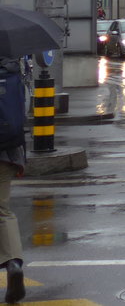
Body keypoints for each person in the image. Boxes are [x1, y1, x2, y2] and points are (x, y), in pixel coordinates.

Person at [0, 57, 24, 304]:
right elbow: (21, 114)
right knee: (2, 210)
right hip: (6, 153)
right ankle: (14, 263)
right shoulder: (11, 70)